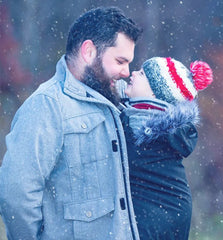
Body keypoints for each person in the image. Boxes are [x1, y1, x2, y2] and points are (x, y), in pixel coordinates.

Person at [0, 7, 142, 240]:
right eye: (120, 61)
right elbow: (16, 195)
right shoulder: (46, 106)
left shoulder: (115, 104)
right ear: (88, 51)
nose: (126, 72)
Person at [120, 57, 213, 239]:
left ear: (155, 93)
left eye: (142, 74)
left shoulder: (153, 134)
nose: (133, 73)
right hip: (166, 212)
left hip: (162, 215)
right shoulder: (137, 118)